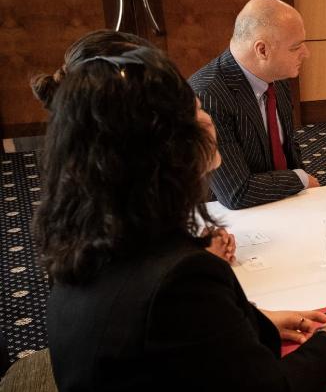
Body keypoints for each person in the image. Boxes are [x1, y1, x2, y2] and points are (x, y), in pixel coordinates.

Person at [35, 47, 326, 392]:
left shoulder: (92, 239)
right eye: (197, 111)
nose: (208, 119)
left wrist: (261, 324)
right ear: (162, 145)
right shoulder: (179, 278)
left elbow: (183, 343)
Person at [31, 29, 236, 263]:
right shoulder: (167, 269)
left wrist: (194, 249)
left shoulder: (91, 202)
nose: (205, 119)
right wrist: (193, 261)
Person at [189, 0, 319, 210]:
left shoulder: (276, 77)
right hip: (230, 219)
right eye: (296, 47)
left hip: (281, 202)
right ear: (262, 50)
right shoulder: (208, 95)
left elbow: (288, 148)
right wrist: (300, 179)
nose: (306, 53)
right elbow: (236, 192)